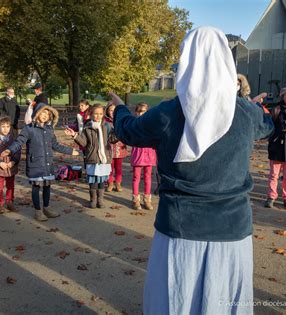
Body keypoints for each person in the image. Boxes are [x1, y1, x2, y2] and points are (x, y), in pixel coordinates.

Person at [112, 27, 274, 314]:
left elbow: (129, 131)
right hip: (231, 228)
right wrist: (252, 104)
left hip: (180, 228)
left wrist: (121, 108)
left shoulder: (167, 113)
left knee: (176, 300)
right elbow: (268, 125)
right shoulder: (246, 113)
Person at [3, 103, 79, 221]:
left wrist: (70, 151)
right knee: (36, 187)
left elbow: (55, 145)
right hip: (35, 164)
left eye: (48, 114)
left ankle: (46, 208)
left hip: (47, 163)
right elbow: (19, 141)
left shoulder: (49, 129)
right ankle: (38, 211)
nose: (45, 115)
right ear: (37, 113)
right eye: (43, 112)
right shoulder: (29, 128)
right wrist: (9, 150)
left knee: (47, 187)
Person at [65, 104, 117, 209]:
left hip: (104, 159)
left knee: (101, 181)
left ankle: (100, 200)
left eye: (101, 114)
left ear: (103, 114)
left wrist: (119, 132)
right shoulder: (87, 127)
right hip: (92, 158)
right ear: (91, 114)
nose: (98, 116)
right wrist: (74, 135)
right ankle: (93, 200)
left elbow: (112, 139)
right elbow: (83, 143)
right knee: (93, 181)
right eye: (96, 114)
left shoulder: (107, 126)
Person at [0, 117, 21, 214]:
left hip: (10, 167)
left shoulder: (13, 138)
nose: (5, 129)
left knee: (11, 186)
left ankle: (9, 201)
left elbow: (17, 151)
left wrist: (13, 162)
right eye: (3, 126)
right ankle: (1, 204)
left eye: (7, 126)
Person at [130, 102, 156, 210]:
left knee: (148, 177)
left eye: (143, 111)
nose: (141, 114)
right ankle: (136, 199)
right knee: (136, 177)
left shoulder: (151, 124)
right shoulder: (134, 124)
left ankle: (147, 199)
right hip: (138, 153)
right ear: (136, 112)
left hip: (149, 153)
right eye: (139, 111)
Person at [104, 101, 128, 193]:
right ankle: (110, 182)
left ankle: (118, 183)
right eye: (110, 111)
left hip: (119, 147)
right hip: (109, 147)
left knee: (118, 167)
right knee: (110, 167)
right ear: (107, 111)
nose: (112, 113)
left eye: (114, 110)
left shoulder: (121, 121)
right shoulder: (105, 122)